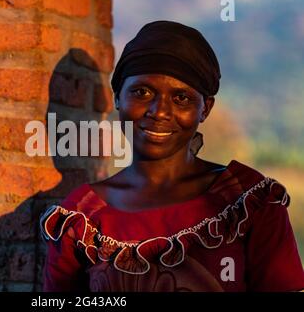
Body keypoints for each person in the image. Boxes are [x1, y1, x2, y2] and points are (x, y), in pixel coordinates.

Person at [39, 20, 304, 292]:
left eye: (181, 98)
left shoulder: (248, 201)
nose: (160, 111)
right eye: (142, 92)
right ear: (118, 98)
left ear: (205, 109)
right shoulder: (82, 217)